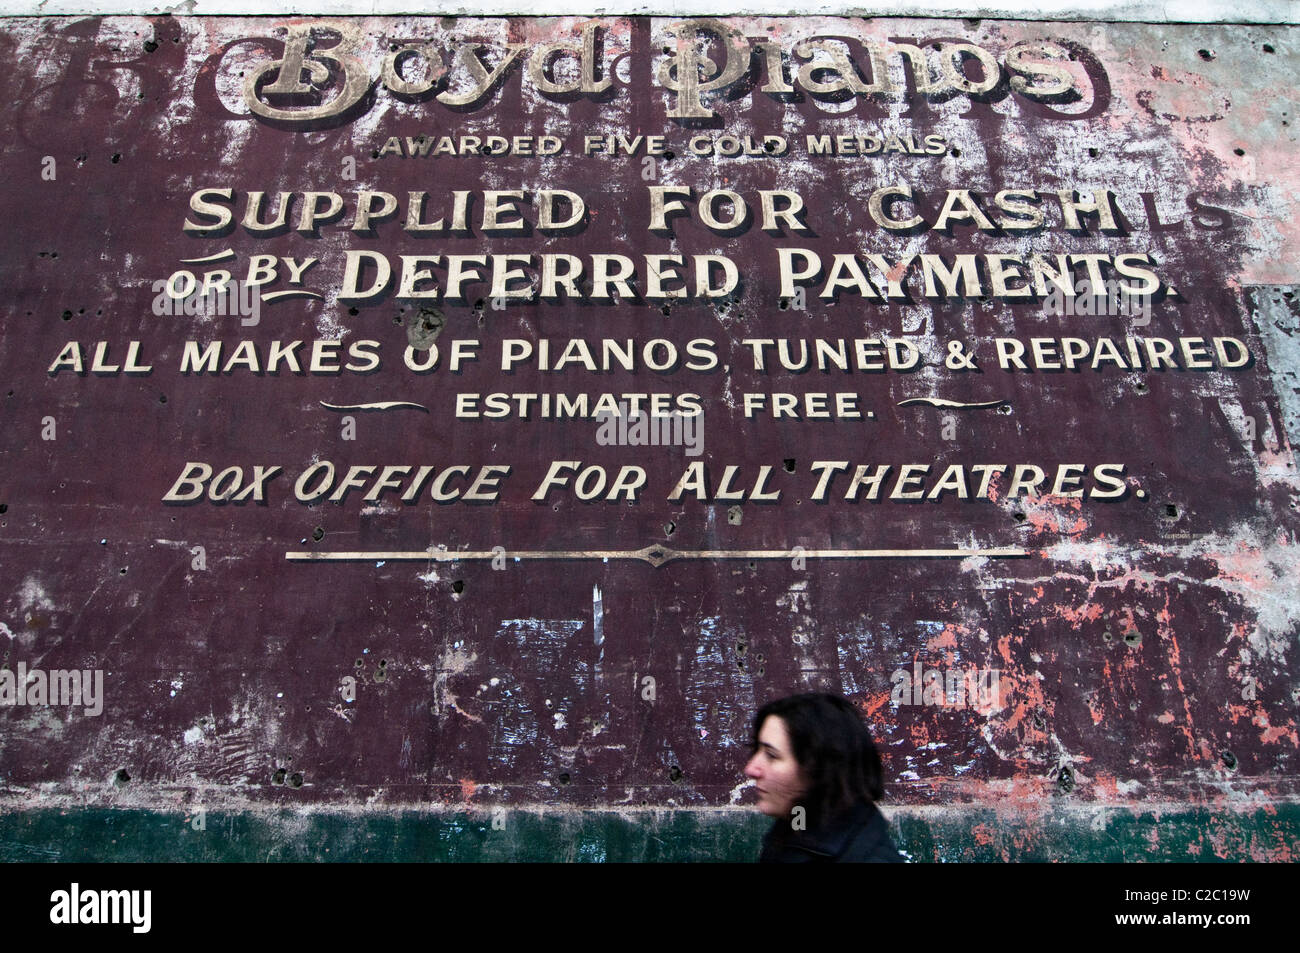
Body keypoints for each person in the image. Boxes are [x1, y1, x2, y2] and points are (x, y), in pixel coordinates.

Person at [744, 692, 905, 863]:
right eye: (757, 749)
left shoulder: (865, 857)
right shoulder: (798, 823)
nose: (751, 769)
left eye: (771, 755)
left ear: (818, 769)